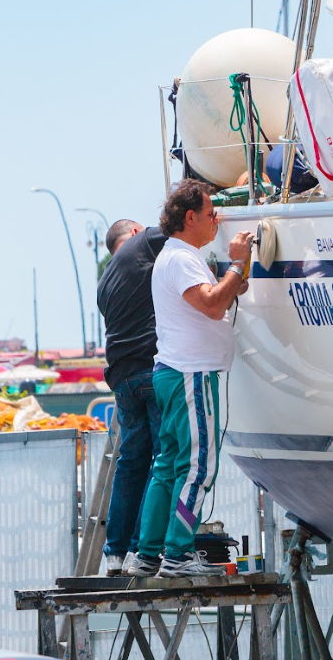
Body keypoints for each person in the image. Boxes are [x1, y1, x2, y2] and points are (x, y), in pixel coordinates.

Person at [130, 179, 252, 577]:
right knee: (199, 468)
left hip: (173, 372)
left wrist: (232, 279)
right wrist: (237, 264)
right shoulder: (182, 258)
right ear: (190, 217)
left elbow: (211, 298)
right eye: (211, 213)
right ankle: (178, 554)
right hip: (191, 375)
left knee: (168, 466)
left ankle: (148, 554)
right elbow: (213, 306)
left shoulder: (174, 256)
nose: (216, 220)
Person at [96, 218, 168, 577]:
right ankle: (144, 548)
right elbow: (176, 225)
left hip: (122, 379)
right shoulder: (140, 245)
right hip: (150, 370)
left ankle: (116, 553)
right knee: (163, 460)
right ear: (135, 234)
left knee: (130, 464)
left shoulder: (105, 281)